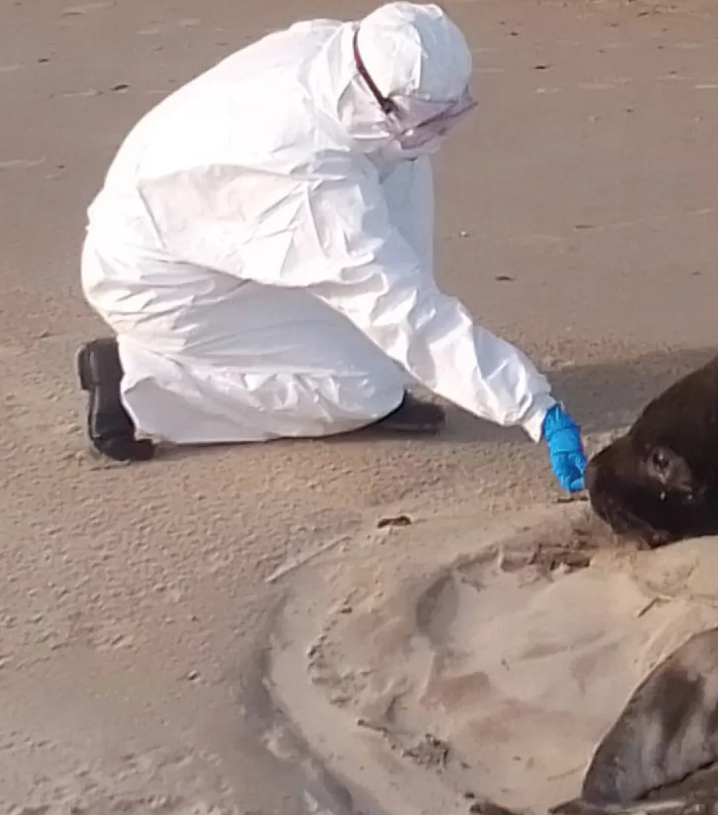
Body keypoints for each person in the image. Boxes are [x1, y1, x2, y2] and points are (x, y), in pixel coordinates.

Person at [74, 2, 588, 492]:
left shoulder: (339, 50)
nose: (439, 136)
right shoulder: (311, 183)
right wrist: (534, 409)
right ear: (377, 98)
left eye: (450, 117)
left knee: (405, 165)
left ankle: (408, 363)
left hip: (202, 223)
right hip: (161, 280)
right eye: (427, 121)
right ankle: (137, 382)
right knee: (365, 387)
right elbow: (402, 310)